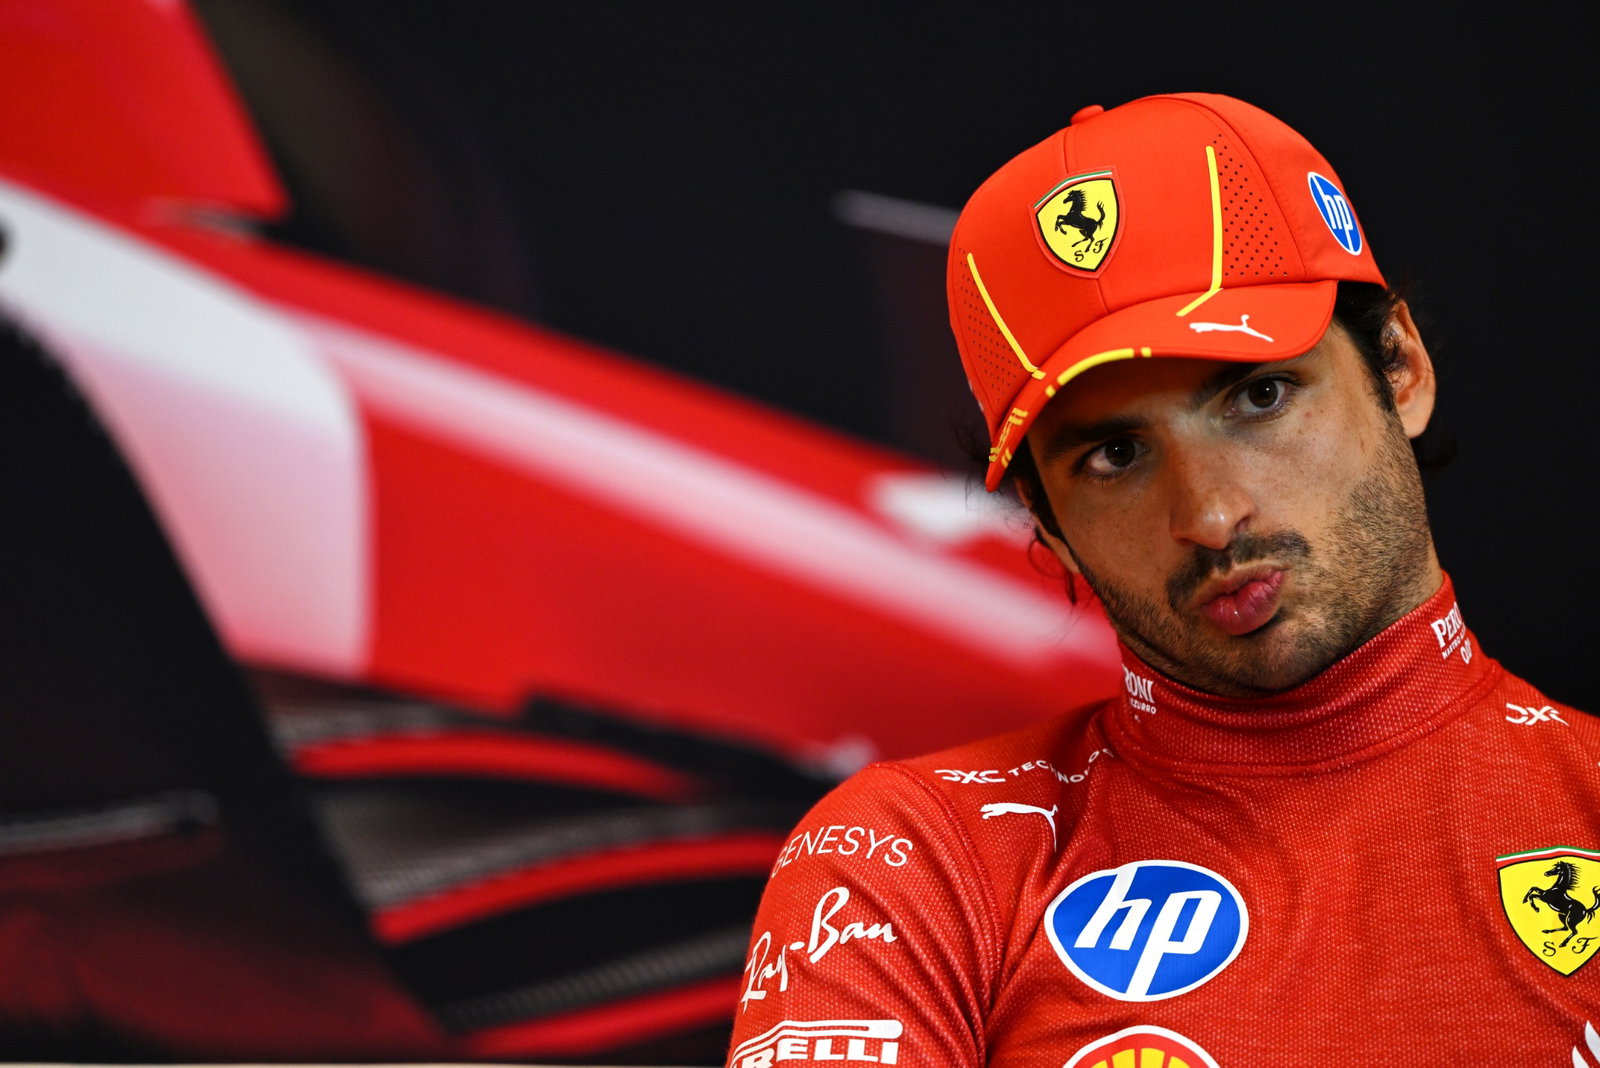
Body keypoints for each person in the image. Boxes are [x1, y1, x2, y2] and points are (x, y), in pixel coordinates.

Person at [725, 93, 1600, 1067]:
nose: (1211, 517)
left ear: (1399, 367)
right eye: (1112, 457)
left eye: (1256, 395)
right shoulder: (916, 866)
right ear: (1046, 526)